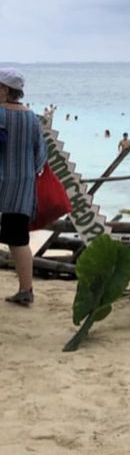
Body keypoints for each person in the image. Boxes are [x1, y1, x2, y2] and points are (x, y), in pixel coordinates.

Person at [0, 68, 46, 307]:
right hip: (23, 187)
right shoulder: (32, 117)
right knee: (19, 239)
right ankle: (26, 289)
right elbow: (41, 156)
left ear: (6, 90)